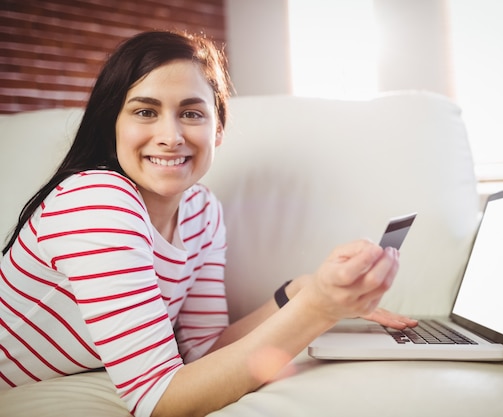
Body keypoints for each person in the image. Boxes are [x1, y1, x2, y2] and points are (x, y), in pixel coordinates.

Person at [0, 30, 416, 417]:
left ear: (218, 129)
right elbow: (160, 399)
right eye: (145, 111)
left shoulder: (201, 209)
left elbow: (203, 353)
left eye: (192, 113)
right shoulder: (94, 199)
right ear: (112, 129)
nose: (170, 136)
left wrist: (301, 291)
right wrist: (319, 309)